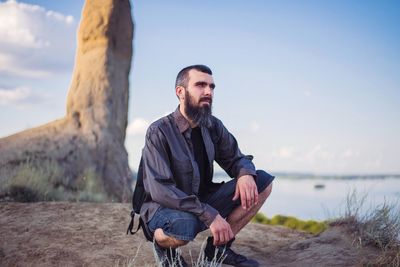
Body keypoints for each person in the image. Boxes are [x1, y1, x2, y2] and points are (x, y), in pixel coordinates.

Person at [139, 64, 274, 267]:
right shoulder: (159, 131)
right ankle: (164, 248)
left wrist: (245, 173)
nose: (208, 92)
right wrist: (210, 215)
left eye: (211, 87)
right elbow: (161, 190)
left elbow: (237, 158)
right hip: (163, 208)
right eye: (201, 85)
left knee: (261, 181)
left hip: (200, 200)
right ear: (180, 92)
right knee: (185, 225)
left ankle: (216, 251)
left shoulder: (213, 125)